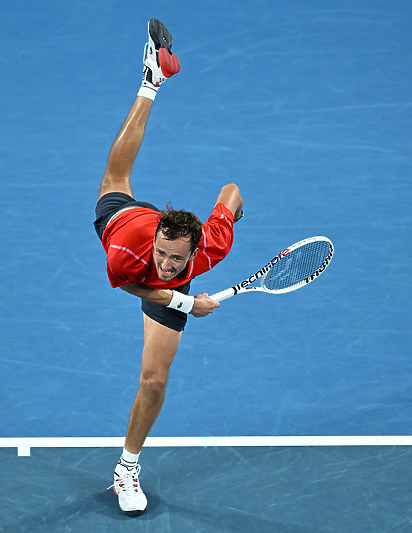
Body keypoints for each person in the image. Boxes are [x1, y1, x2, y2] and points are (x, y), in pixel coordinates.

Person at [93, 18, 244, 516]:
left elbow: (231, 190)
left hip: (180, 269)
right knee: (116, 175)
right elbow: (133, 286)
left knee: (154, 382)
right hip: (124, 220)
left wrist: (234, 212)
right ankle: (149, 81)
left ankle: (126, 469)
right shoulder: (132, 245)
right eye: (164, 252)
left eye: (175, 259)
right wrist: (184, 300)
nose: (167, 261)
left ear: (191, 251)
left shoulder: (208, 247)